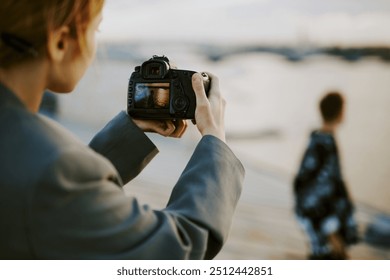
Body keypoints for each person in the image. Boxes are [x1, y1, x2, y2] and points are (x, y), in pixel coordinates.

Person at [0, 0, 244, 259]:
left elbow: (48, 200)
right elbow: (179, 248)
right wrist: (215, 143)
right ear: (60, 43)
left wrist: (126, 135)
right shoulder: (55, 172)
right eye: (95, 31)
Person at [293, 92, 358, 259]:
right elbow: (320, 187)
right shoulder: (324, 144)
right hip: (326, 227)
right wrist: (330, 230)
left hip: (323, 224)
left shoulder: (320, 140)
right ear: (340, 113)